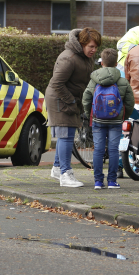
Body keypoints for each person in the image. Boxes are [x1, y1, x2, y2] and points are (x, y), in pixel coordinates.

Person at [46, 27, 101, 188]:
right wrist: (70, 101)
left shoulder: (84, 57)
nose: (94, 50)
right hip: (60, 99)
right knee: (66, 135)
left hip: (70, 99)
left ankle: (57, 168)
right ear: (82, 44)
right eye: (91, 46)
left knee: (68, 134)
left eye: (96, 47)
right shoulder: (69, 58)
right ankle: (65, 174)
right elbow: (56, 83)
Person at [82, 48, 135, 190]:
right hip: (116, 121)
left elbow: (86, 99)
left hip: (98, 120)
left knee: (98, 150)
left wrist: (90, 115)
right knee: (113, 150)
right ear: (116, 62)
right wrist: (124, 116)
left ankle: (98, 181)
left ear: (102, 63)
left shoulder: (94, 80)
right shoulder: (122, 81)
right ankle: (112, 181)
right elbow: (130, 102)